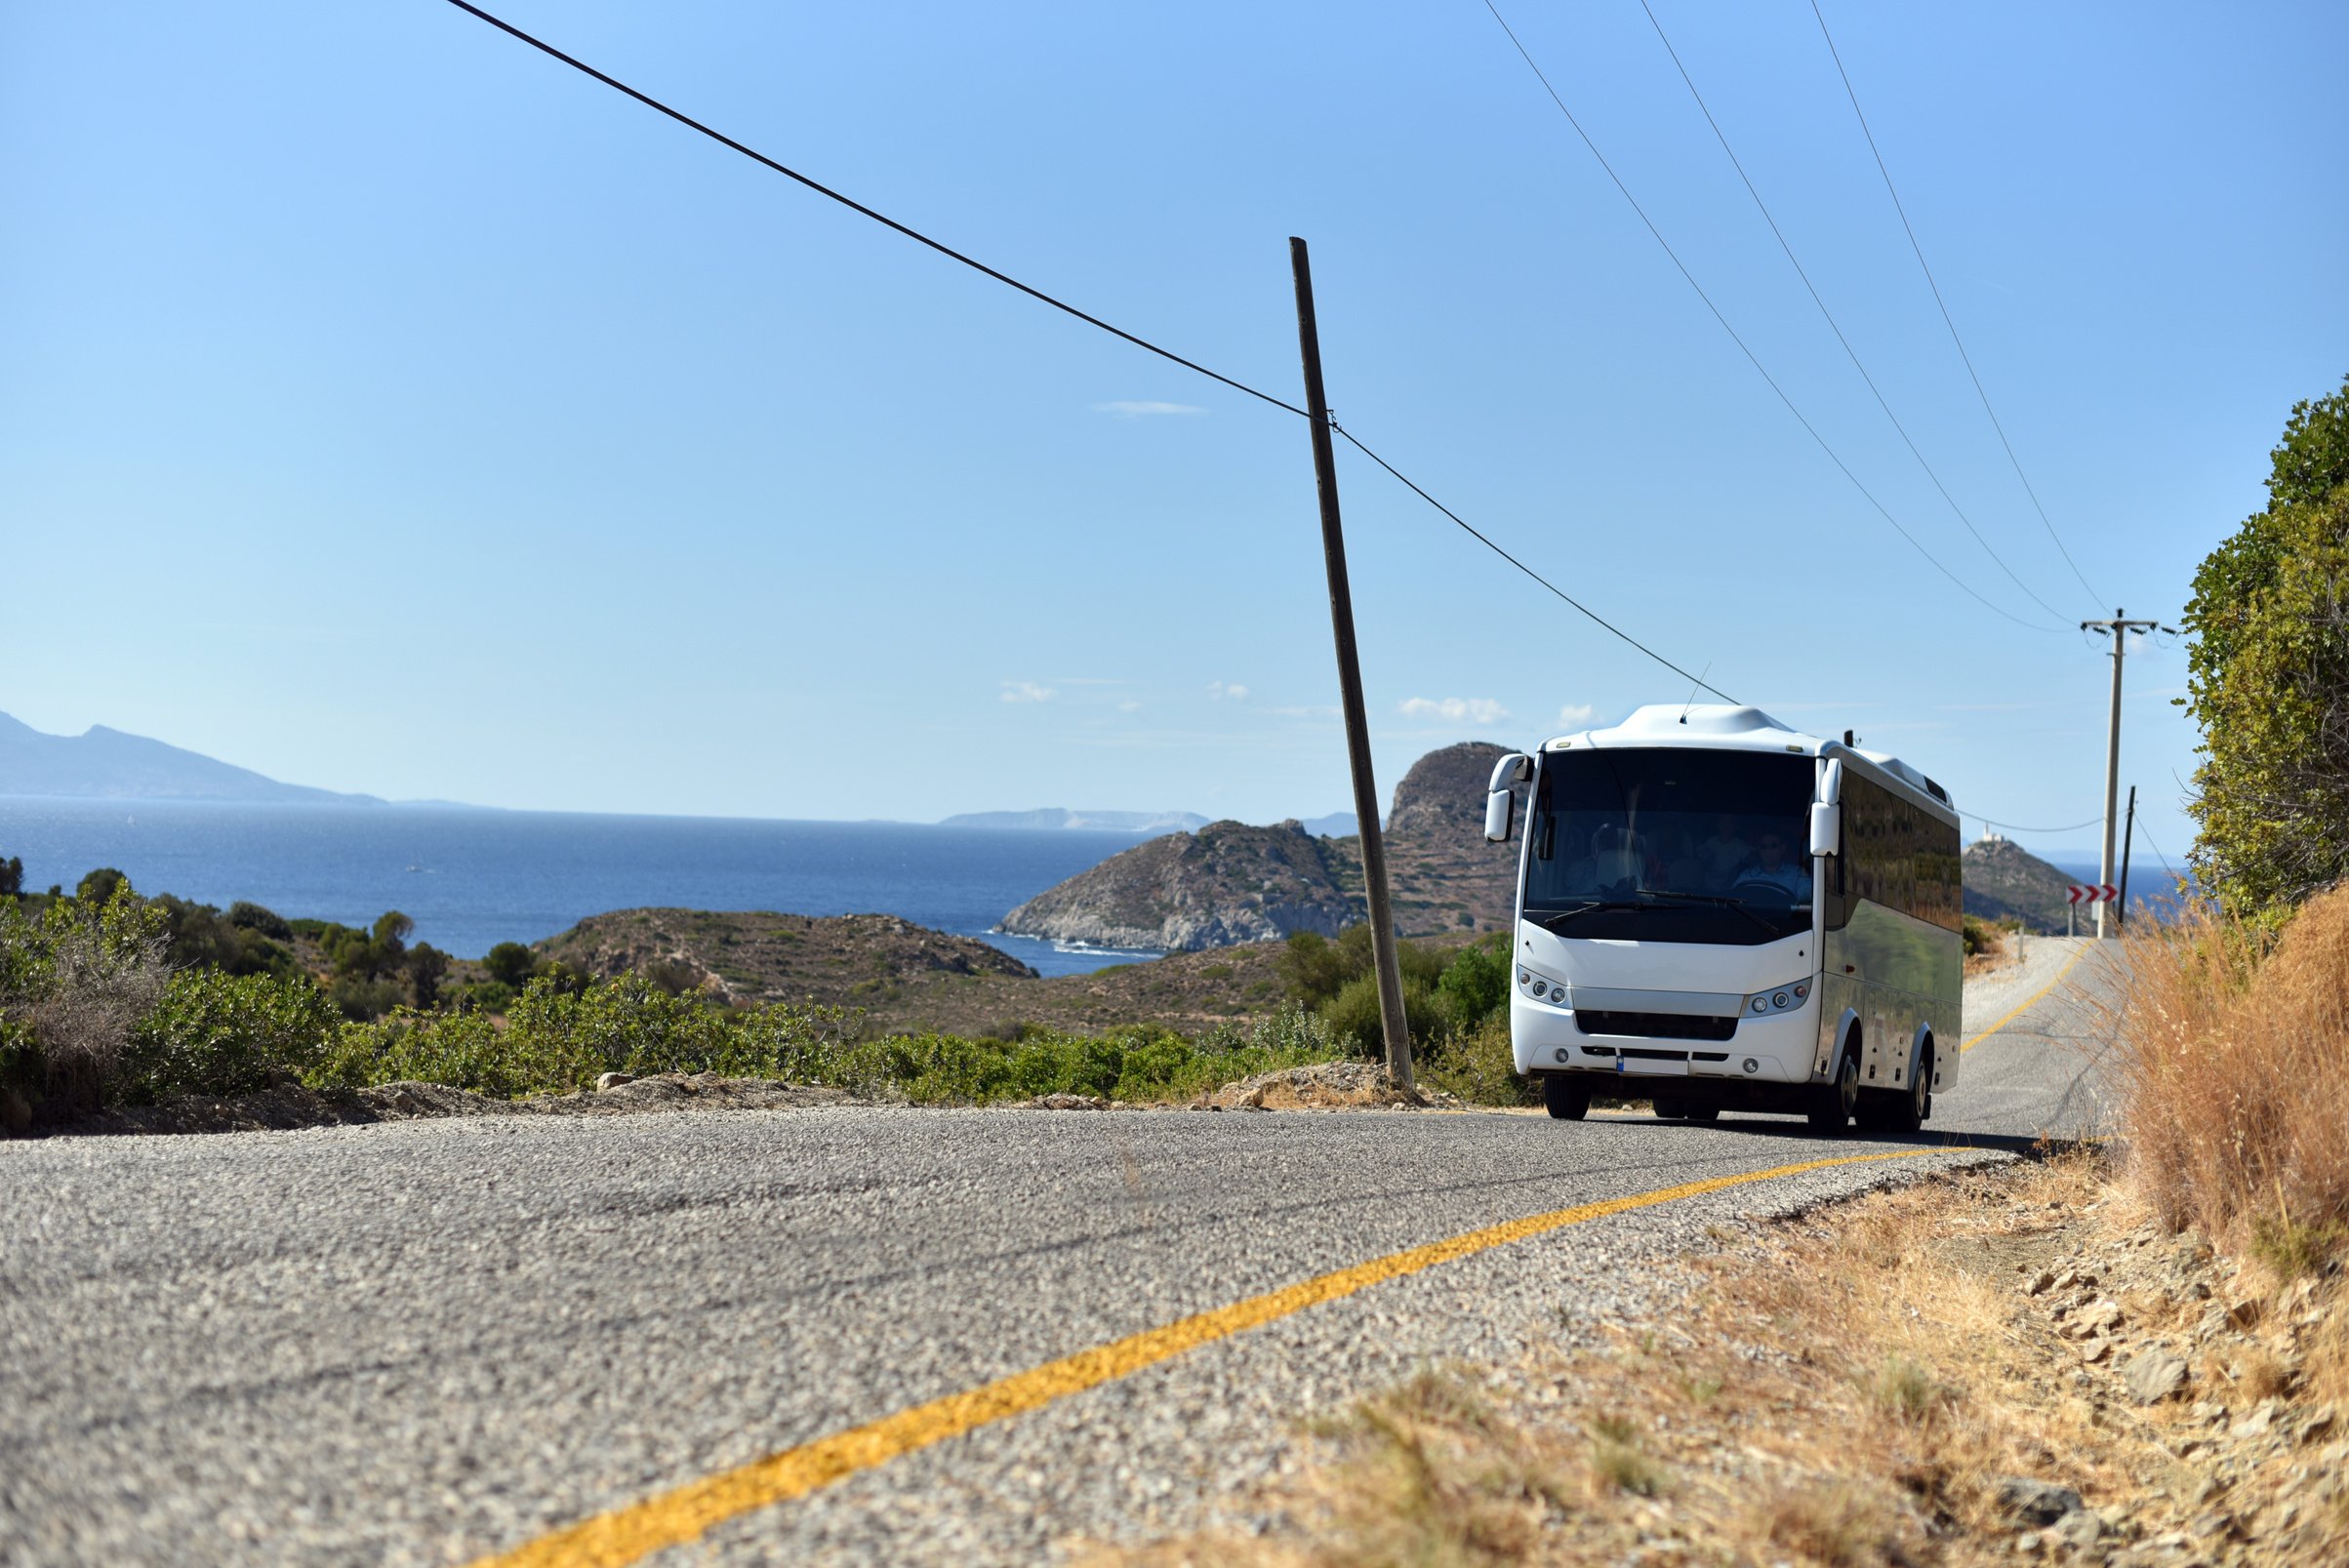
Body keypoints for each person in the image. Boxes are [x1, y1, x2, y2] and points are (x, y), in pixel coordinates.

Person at [1737, 828, 1812, 899]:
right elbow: (1733, 898)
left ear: (1783, 848)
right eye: (1764, 847)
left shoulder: (1797, 874)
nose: (1768, 851)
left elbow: (1808, 899)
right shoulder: (1747, 876)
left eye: (1773, 846)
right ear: (1759, 850)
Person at [1697, 814, 1751, 890]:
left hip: (1728, 892)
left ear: (1735, 826)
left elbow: (1753, 861)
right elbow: (1699, 854)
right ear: (1718, 825)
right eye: (1723, 823)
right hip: (1707, 890)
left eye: (1730, 823)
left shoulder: (1741, 846)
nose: (1726, 826)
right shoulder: (1711, 841)